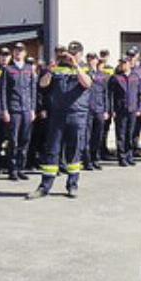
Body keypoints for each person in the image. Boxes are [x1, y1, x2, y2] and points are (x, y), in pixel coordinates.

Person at [29, 43, 92, 199]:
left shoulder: (84, 67)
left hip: (77, 115)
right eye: (69, 53)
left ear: (80, 54)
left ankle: (72, 185)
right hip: (57, 114)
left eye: (74, 54)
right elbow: (42, 84)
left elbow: (87, 83)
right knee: (52, 151)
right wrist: (50, 69)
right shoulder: (57, 67)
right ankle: (44, 186)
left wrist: (76, 65)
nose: (70, 56)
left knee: (74, 151)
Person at [2, 45, 39, 181]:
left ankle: (20, 168)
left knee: (25, 140)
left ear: (25, 53)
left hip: (27, 110)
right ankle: (12, 170)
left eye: (21, 51)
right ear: (13, 53)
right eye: (16, 51)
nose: (18, 53)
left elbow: (33, 90)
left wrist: (33, 109)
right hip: (14, 109)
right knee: (13, 140)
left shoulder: (29, 69)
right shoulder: (8, 70)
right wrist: (5, 110)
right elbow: (3, 91)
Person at [110, 51, 141, 167]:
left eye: (124, 63)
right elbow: (110, 95)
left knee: (130, 134)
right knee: (121, 135)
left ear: (129, 64)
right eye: (121, 63)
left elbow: (140, 94)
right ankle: (122, 157)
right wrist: (112, 110)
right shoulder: (115, 78)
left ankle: (129, 156)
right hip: (120, 110)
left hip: (133, 109)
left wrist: (140, 107)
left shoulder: (136, 77)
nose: (122, 65)